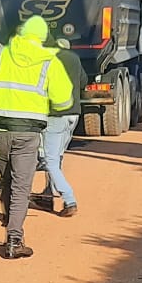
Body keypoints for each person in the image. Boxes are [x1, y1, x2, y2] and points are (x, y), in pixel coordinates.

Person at [0, 15, 76, 259]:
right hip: (28, 131)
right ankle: (14, 238)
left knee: (6, 179)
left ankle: (8, 218)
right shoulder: (49, 61)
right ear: (43, 37)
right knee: (21, 185)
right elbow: (64, 100)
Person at [36, 34, 86, 217]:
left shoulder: (46, 59)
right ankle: (48, 193)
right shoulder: (73, 57)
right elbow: (83, 82)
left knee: (49, 161)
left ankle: (69, 199)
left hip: (55, 115)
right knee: (57, 157)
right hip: (73, 114)